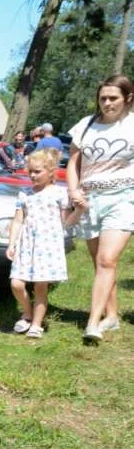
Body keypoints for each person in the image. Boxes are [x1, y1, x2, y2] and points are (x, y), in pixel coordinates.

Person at [66, 74, 134, 342]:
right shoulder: (86, 125)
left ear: (128, 98)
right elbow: (72, 162)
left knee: (108, 259)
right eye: (103, 98)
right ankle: (112, 316)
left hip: (124, 197)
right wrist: (74, 191)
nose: (107, 103)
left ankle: (92, 323)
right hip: (89, 200)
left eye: (113, 98)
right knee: (101, 262)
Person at [6, 149, 83, 338]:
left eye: (37, 171)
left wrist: (79, 211)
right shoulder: (25, 194)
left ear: (51, 171)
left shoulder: (59, 193)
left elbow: (66, 221)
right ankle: (27, 312)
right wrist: (11, 243)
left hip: (47, 246)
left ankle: (37, 324)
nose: (32, 175)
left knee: (41, 286)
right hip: (26, 245)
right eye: (30, 171)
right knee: (16, 283)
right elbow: (18, 221)